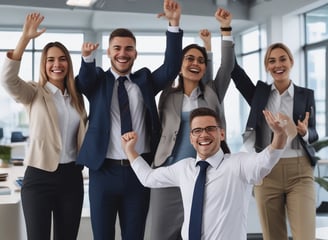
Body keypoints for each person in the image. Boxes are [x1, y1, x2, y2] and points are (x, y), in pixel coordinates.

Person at [74, 0, 183, 239]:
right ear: (109, 52)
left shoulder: (145, 81)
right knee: (102, 235)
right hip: (103, 172)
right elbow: (83, 81)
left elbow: (172, 67)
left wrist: (174, 24)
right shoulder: (98, 82)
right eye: (117, 48)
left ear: (135, 53)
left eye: (128, 48)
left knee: (134, 235)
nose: (123, 53)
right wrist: (87, 58)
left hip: (138, 170)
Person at [121, 107, 292, 240]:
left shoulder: (238, 164)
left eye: (210, 128)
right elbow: (148, 178)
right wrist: (130, 151)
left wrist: (279, 136)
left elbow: (266, 160)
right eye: (197, 130)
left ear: (222, 134)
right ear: (191, 137)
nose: (204, 134)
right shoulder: (183, 168)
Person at [149, 8, 234, 240]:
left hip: (204, 177)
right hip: (168, 172)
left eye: (200, 60)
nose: (195, 63)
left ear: (205, 67)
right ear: (179, 65)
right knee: (160, 234)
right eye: (189, 58)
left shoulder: (213, 92)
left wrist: (225, 29)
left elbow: (227, 67)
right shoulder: (167, 94)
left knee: (200, 234)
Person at [0, 13, 87, 240]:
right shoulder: (34, 92)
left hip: (71, 178)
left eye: (62, 59)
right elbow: (8, 79)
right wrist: (25, 39)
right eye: (50, 60)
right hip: (39, 177)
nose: (57, 64)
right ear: (44, 64)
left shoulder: (77, 99)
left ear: (68, 63)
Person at [231, 42, 318, 240]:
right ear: (267, 67)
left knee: (306, 235)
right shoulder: (259, 94)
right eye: (272, 61)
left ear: (291, 62)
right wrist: (226, 31)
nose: (278, 65)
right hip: (267, 170)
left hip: (300, 171)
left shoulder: (306, 95)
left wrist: (304, 132)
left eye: (282, 59)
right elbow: (235, 72)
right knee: (273, 236)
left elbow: (314, 133)